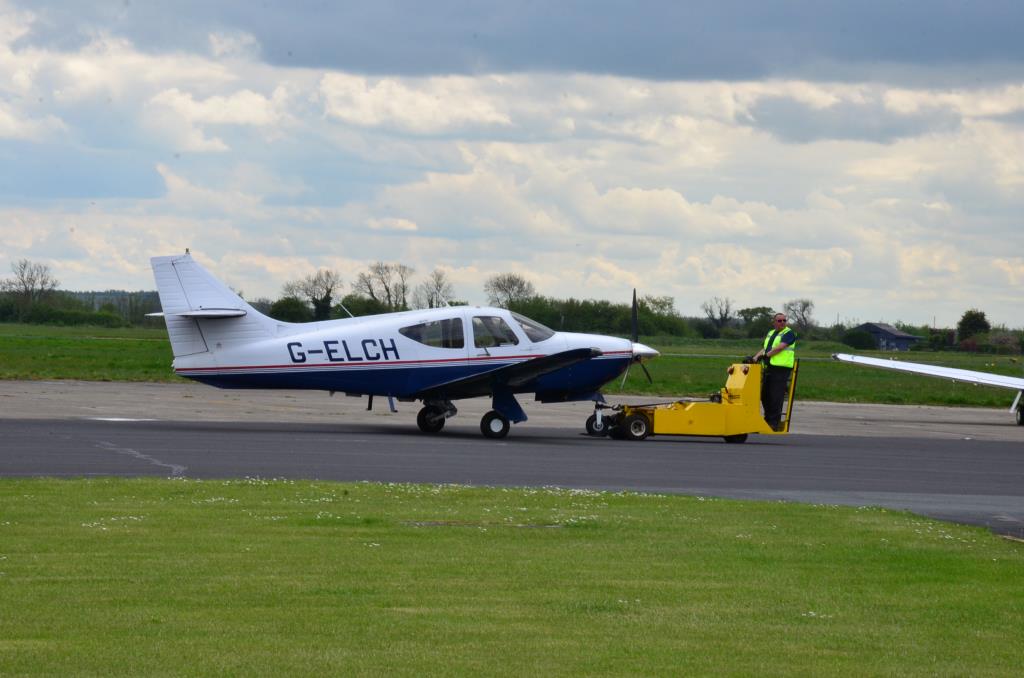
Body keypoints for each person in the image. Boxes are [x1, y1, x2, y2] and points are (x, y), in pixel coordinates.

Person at [752, 313, 797, 431]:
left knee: (775, 397)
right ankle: (767, 420)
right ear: (774, 322)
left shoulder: (789, 333)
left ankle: (773, 423)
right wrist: (755, 357)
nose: (782, 322)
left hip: (781, 369)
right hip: (769, 368)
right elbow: (765, 348)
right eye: (779, 320)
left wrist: (766, 356)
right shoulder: (771, 333)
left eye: (784, 320)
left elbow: (780, 347)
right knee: (765, 395)